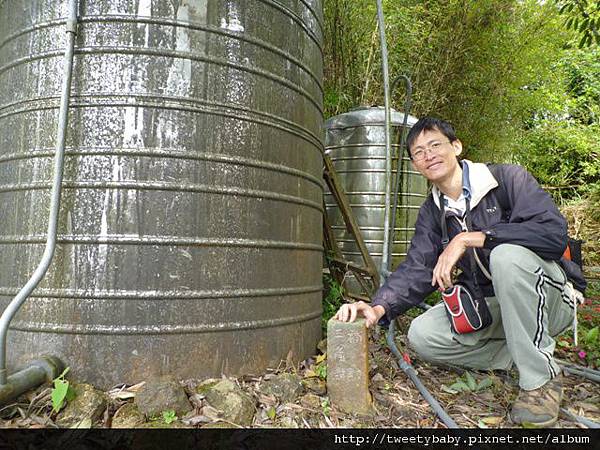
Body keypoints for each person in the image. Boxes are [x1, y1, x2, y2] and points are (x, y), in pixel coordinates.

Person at [334, 117, 586, 427]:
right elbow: (417, 267)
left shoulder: (507, 180)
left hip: (549, 300)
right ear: (415, 164)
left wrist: (470, 238)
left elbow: (552, 234)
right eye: (419, 152)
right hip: (491, 308)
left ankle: (540, 381)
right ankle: (525, 355)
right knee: (422, 336)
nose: (429, 155)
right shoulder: (432, 211)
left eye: (435, 145)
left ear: (456, 146)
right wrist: (376, 308)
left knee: (506, 256)